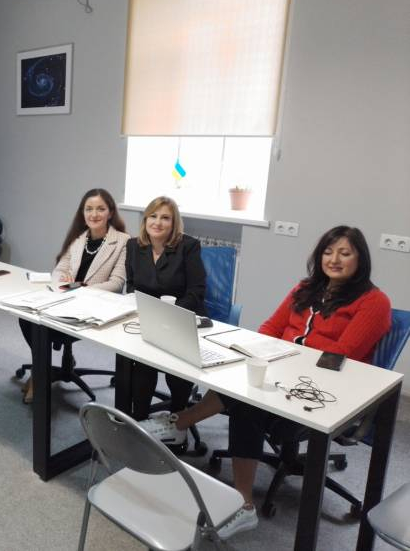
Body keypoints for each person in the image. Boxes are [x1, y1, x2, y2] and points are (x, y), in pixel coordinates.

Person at [147, 225, 391, 539]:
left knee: (246, 402)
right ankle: (181, 425)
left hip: (324, 391)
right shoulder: (306, 288)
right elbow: (271, 327)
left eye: (345, 253)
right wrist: (261, 353)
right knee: (234, 376)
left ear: (361, 259)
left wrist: (285, 354)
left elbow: (341, 354)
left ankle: (241, 502)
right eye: (328, 252)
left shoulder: (374, 302)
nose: (334, 259)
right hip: (282, 373)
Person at [19, 188, 130, 403]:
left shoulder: (123, 241)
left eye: (100, 209)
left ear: (110, 212)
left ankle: (39, 375)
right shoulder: (79, 239)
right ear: (82, 212)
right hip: (66, 298)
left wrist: (79, 287)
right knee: (27, 317)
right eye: (89, 209)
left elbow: (116, 284)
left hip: (94, 307)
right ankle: (41, 370)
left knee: (44, 327)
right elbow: (59, 271)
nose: (94, 214)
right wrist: (63, 282)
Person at [124, 196, 207, 423]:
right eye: (153, 216)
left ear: (174, 222)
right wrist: (145, 312)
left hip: (182, 318)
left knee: (176, 368)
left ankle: (178, 420)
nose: (158, 222)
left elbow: (197, 291)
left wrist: (169, 315)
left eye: (165, 218)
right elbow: (131, 285)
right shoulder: (134, 246)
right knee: (141, 363)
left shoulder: (188, 246)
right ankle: (138, 421)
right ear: (145, 220)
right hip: (147, 320)